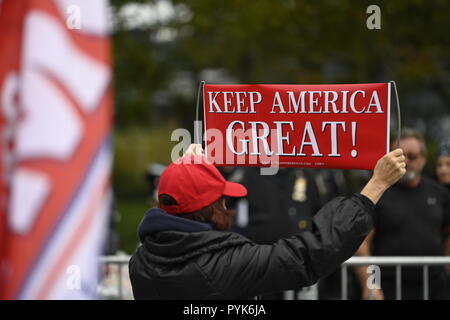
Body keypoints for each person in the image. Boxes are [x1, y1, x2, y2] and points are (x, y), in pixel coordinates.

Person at [129, 144, 406, 299]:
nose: (229, 209)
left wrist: (189, 174)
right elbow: (309, 254)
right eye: (223, 202)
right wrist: (374, 188)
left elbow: (177, 205)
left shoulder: (142, 262)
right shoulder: (225, 265)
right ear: (206, 211)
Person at [355, 128, 450, 300]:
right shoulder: (377, 193)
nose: (406, 161)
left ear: (423, 159)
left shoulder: (439, 193)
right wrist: (370, 284)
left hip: (434, 287)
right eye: (399, 156)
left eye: (412, 156)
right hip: (388, 287)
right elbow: (362, 244)